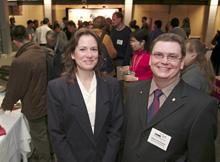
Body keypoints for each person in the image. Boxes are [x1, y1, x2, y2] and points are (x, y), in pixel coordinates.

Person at [118, 33, 218, 162]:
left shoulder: (201, 105)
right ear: (150, 59)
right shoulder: (134, 90)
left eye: (172, 57)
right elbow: (124, 139)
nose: (164, 61)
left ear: (182, 62)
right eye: (158, 55)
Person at [47, 28, 123, 162]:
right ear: (72, 54)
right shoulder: (57, 88)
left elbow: (116, 129)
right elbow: (57, 134)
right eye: (82, 49)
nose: (89, 55)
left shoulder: (112, 85)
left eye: (94, 49)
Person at [0, 25, 53, 162]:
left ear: (15, 42)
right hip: (48, 101)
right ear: (29, 37)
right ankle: (50, 155)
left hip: (35, 106)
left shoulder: (21, 61)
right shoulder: (42, 51)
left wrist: (6, 105)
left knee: (40, 139)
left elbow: (15, 89)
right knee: (47, 134)